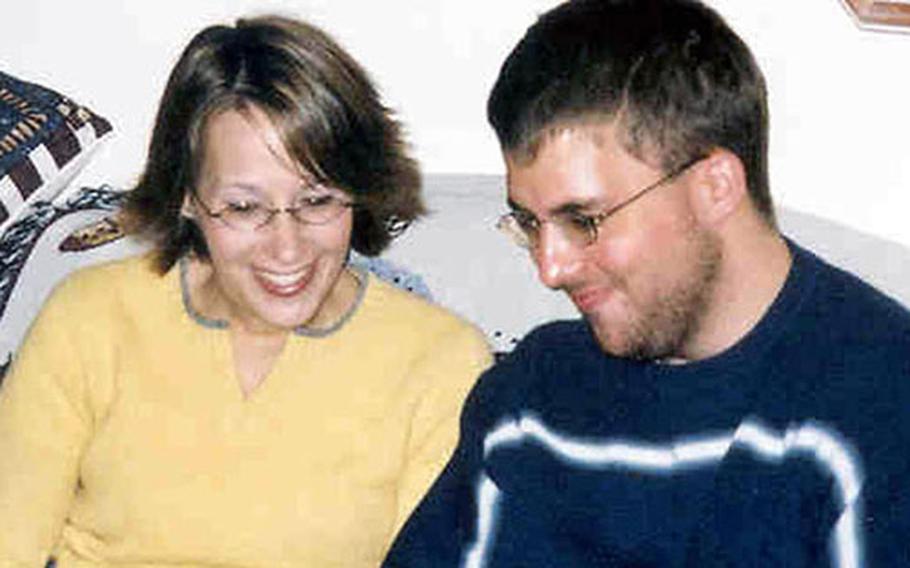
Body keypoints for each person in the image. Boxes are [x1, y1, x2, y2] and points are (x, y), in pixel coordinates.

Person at [383, 0, 910, 566]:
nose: (549, 268)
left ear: (715, 187)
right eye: (530, 224)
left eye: (583, 220)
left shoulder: (877, 403)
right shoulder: (533, 398)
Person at [0, 15, 491, 567]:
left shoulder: (441, 363)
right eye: (243, 207)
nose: (287, 249)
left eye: (317, 201)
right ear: (186, 196)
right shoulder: (88, 318)